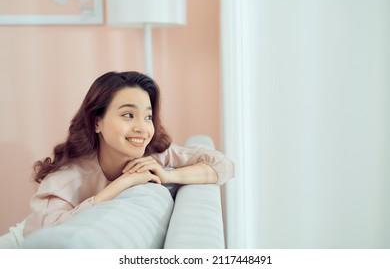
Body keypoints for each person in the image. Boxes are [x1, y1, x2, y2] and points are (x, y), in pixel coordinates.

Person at [0, 71, 234, 248]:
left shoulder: (155, 153)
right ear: (96, 122)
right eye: (128, 115)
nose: (142, 128)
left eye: (148, 117)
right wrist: (121, 184)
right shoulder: (66, 178)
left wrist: (169, 175)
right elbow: (53, 236)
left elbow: (223, 165)